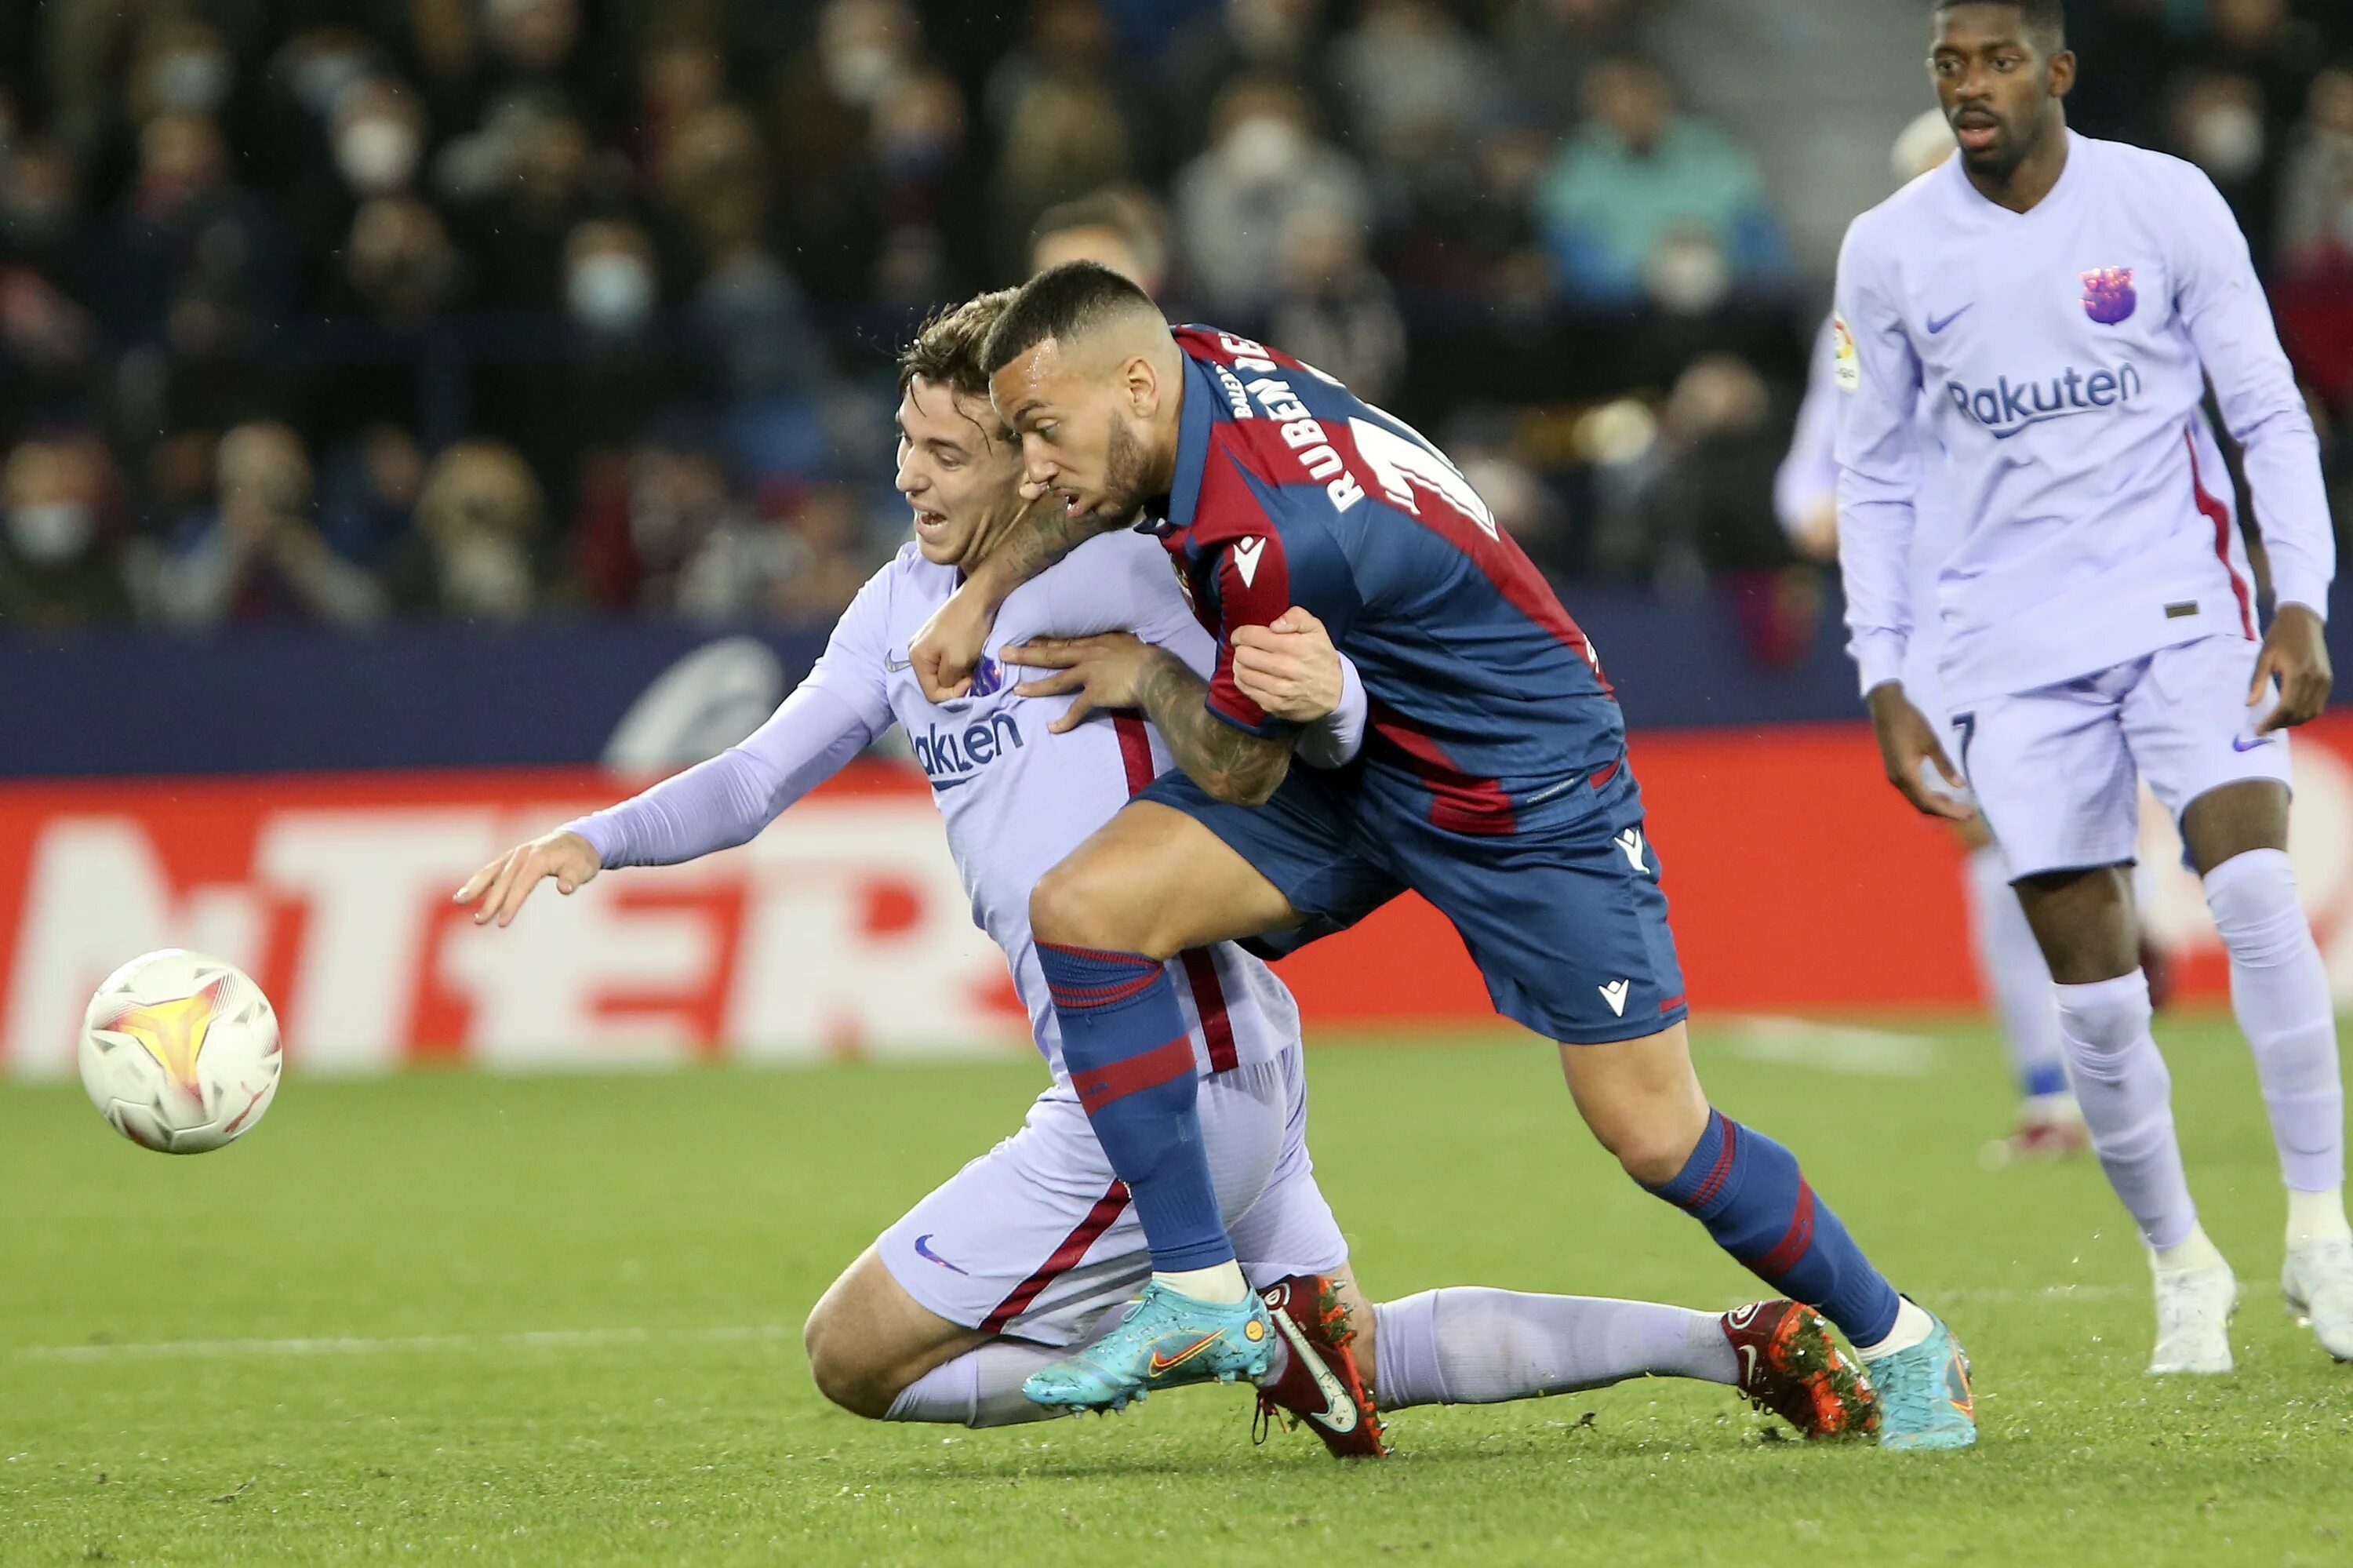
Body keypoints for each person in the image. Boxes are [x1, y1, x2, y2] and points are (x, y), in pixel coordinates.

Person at [453, 293, 1878, 1457]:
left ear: (1033, 456)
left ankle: (1222, 1332)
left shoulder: (1144, 568)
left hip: (1157, 1071)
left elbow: (1315, 727)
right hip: (1215, 1047)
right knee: (1359, 1354)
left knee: (850, 1358)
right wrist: (595, 839)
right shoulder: (896, 610)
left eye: (952, 453)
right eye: (906, 444)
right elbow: (757, 776)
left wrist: (1282, 696)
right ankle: (1731, 1346)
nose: (911, 477)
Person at [904, 263, 1976, 1450]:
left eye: (1041, 432)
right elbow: (1092, 495)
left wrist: (1151, 673)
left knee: (1655, 1132)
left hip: (1523, 785)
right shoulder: (1187, 369)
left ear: (1140, 384)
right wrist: (975, 599)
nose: (1033, 467)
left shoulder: (1274, 540)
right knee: (1089, 908)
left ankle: (1905, 1343)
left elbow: (1246, 769)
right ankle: (1203, 1294)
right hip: (1365, 756)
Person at [1834, 0, 2351, 1374]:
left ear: (2058, 71)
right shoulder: (1889, 251)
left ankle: (2322, 1233)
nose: (1971, 86)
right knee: (2100, 994)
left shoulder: (2164, 201)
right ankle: (2184, 1267)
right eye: (1950, 64)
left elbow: (2263, 409)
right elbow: (1873, 477)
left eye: (1998, 60)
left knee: (2251, 895)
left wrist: (2299, 596)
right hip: (2006, 648)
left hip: (2185, 609)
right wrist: (1885, 675)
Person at [1777, 108, 2086, 1164]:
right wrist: (1812, 509)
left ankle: (2078, 1074)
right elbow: (1812, 459)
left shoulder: (2047, 315)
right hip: (1929, 627)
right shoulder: (1860, 329)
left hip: (2049, 601)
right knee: (1997, 840)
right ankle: (2060, 1084)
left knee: (2036, 840)